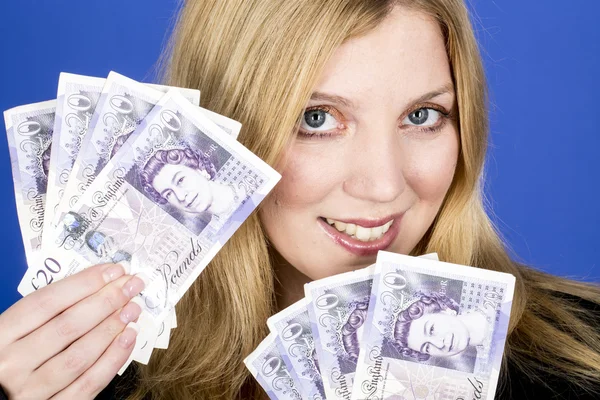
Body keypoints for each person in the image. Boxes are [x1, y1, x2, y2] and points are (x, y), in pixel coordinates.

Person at [1, 1, 599, 399]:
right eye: (318, 118)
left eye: (423, 116)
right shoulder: (81, 377)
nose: (384, 185)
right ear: (219, 132)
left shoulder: (585, 360)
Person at [139, 147, 239, 220]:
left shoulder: (243, 188)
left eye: (180, 180)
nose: (181, 197)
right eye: (168, 194)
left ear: (201, 169)